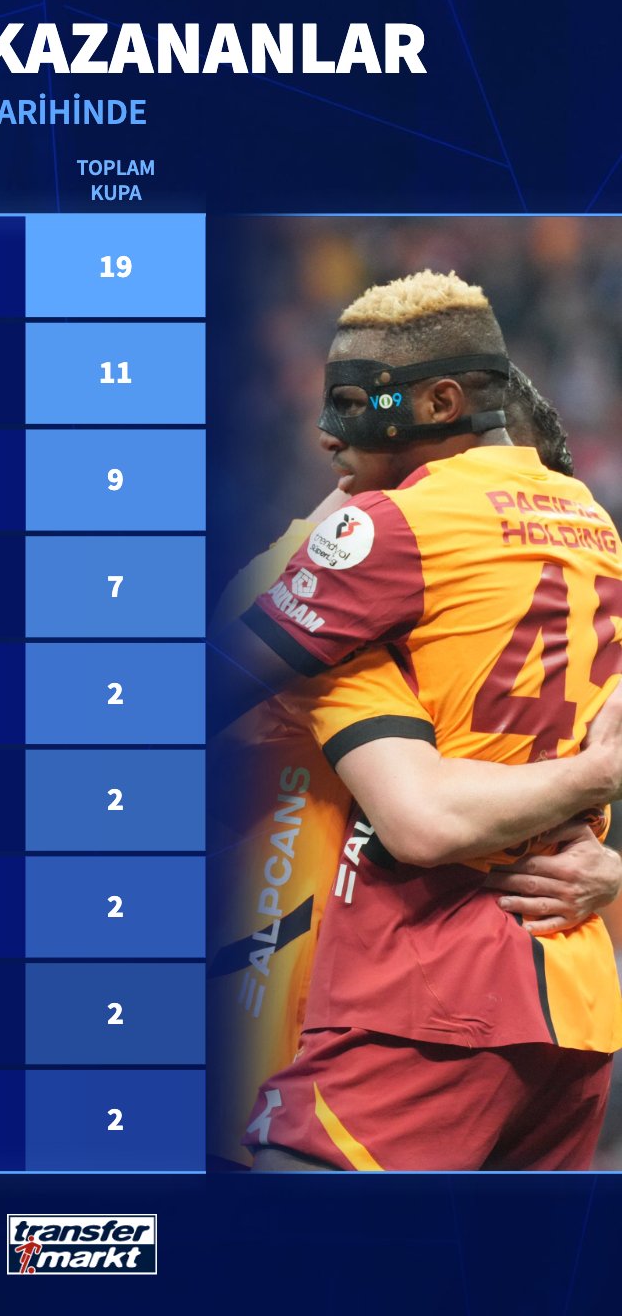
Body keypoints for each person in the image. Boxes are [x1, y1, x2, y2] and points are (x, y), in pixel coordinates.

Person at [214, 268, 622, 1169]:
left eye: (357, 404)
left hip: (421, 995)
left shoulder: (389, 548)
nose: (328, 431)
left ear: (441, 403)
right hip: (574, 1000)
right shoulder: (592, 525)